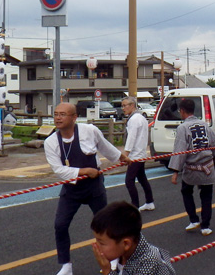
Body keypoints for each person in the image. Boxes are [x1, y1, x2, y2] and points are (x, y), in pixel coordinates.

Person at [44, 103, 130, 275]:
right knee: (60, 225)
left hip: (94, 187)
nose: (58, 118)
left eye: (63, 114)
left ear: (74, 117)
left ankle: (115, 261)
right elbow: (59, 170)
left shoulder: (89, 131)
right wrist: (84, 171)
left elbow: (105, 146)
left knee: (105, 225)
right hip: (71, 189)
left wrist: (121, 157)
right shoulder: (51, 142)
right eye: (56, 114)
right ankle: (66, 265)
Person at [169, 99, 215, 236]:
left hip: (192, 167)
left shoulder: (183, 128)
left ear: (182, 111)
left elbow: (180, 151)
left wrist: (175, 171)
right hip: (207, 166)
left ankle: (193, 219)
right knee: (206, 196)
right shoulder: (204, 124)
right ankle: (205, 226)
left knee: (186, 191)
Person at [91, 201, 175, 275]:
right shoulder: (125, 253)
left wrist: (107, 271)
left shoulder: (149, 263)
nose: (96, 246)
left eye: (101, 243)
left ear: (126, 243)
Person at [122, 97, 155, 211]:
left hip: (135, 155)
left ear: (132, 105)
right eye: (122, 106)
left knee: (129, 181)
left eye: (125, 105)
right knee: (142, 178)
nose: (123, 108)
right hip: (141, 153)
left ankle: (134, 205)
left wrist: (125, 154)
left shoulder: (134, 119)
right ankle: (149, 201)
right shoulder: (141, 117)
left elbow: (131, 137)